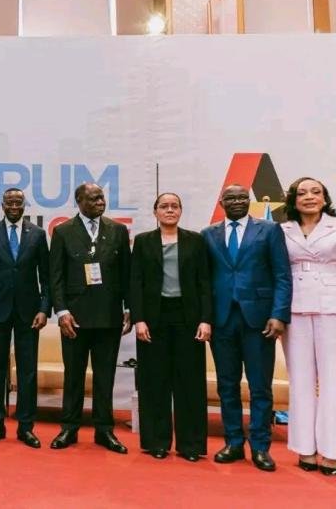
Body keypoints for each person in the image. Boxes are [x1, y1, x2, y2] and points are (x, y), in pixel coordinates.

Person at [201, 184, 292, 472]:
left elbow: (282, 275)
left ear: (249, 200)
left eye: (243, 197)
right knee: (227, 386)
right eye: (231, 197)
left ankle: (261, 447)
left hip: (259, 320)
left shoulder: (269, 230)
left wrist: (278, 314)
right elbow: (203, 281)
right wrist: (205, 318)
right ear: (221, 201)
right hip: (222, 320)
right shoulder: (208, 234)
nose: (238, 201)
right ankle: (233, 443)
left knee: (259, 387)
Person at [49, 183, 131, 454]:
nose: (100, 202)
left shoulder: (118, 230)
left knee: (105, 376)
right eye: (93, 198)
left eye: (102, 198)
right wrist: (61, 311)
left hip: (109, 316)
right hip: (74, 318)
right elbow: (55, 276)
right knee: (74, 375)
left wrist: (129, 307)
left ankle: (104, 430)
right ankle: (69, 427)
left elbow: (126, 273)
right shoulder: (63, 231)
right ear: (79, 201)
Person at [130, 193, 212, 461]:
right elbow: (136, 282)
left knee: (190, 382)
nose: (169, 210)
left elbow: (204, 282)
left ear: (181, 211)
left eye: (174, 206)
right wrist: (139, 319)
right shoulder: (143, 241)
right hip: (154, 319)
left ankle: (191, 445)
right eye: (164, 206)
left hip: (189, 318)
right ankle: (156, 442)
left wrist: (206, 319)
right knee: (154, 381)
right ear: (155, 212)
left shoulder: (196, 241)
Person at [0, 188, 50, 448]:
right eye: (10, 202)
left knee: (27, 371)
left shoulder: (38, 234)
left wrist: (44, 309)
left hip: (30, 313)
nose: (14, 206)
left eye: (19, 202)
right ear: (2, 205)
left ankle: (26, 427)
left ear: (24, 205)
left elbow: (46, 277)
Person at [279, 177, 336, 475]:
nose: (309, 197)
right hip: (295, 306)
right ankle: (305, 448)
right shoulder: (281, 230)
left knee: (332, 380)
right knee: (300, 379)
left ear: (325, 198)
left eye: (315, 192)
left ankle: (332, 451)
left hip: (332, 305)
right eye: (302, 193)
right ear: (293, 200)